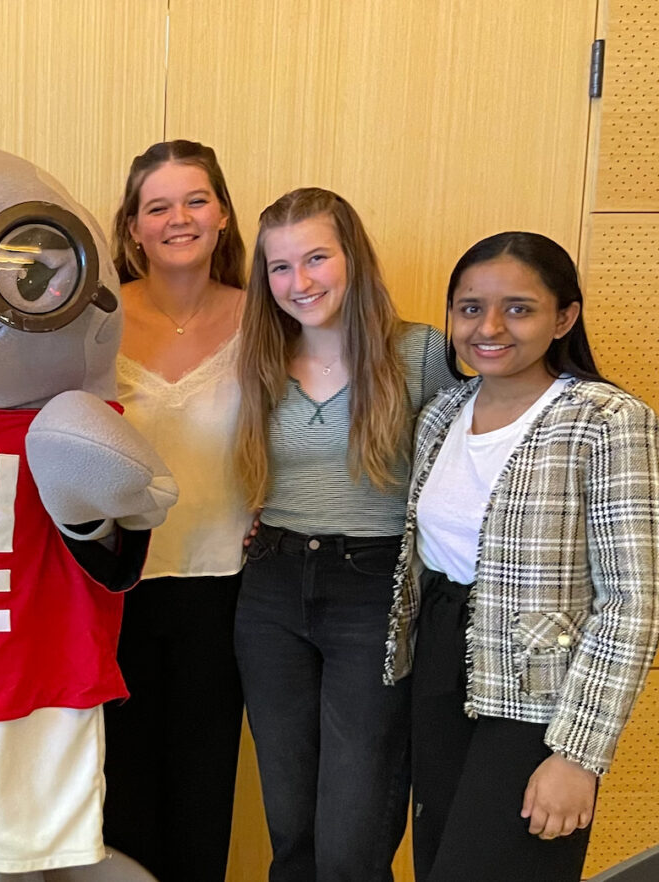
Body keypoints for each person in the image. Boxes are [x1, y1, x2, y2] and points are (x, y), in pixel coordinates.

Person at [387, 232, 659, 882]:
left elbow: (634, 601)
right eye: (470, 307)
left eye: (518, 308)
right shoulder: (440, 414)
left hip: (538, 697)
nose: (490, 327)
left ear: (563, 317)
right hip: (440, 664)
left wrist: (578, 755)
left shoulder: (607, 421)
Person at [232, 187, 453, 881]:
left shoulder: (419, 354)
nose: (300, 283)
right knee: (291, 824)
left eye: (317, 258)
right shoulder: (259, 359)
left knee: (352, 837)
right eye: (280, 267)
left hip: (375, 591)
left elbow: (467, 468)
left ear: (352, 257)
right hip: (271, 589)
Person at [103, 140, 250, 881]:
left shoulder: (267, 319)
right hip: (111, 588)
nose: (178, 218)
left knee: (201, 797)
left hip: (224, 588)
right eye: (157, 206)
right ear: (132, 227)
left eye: (195, 200)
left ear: (223, 214)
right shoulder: (92, 318)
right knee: (117, 799)